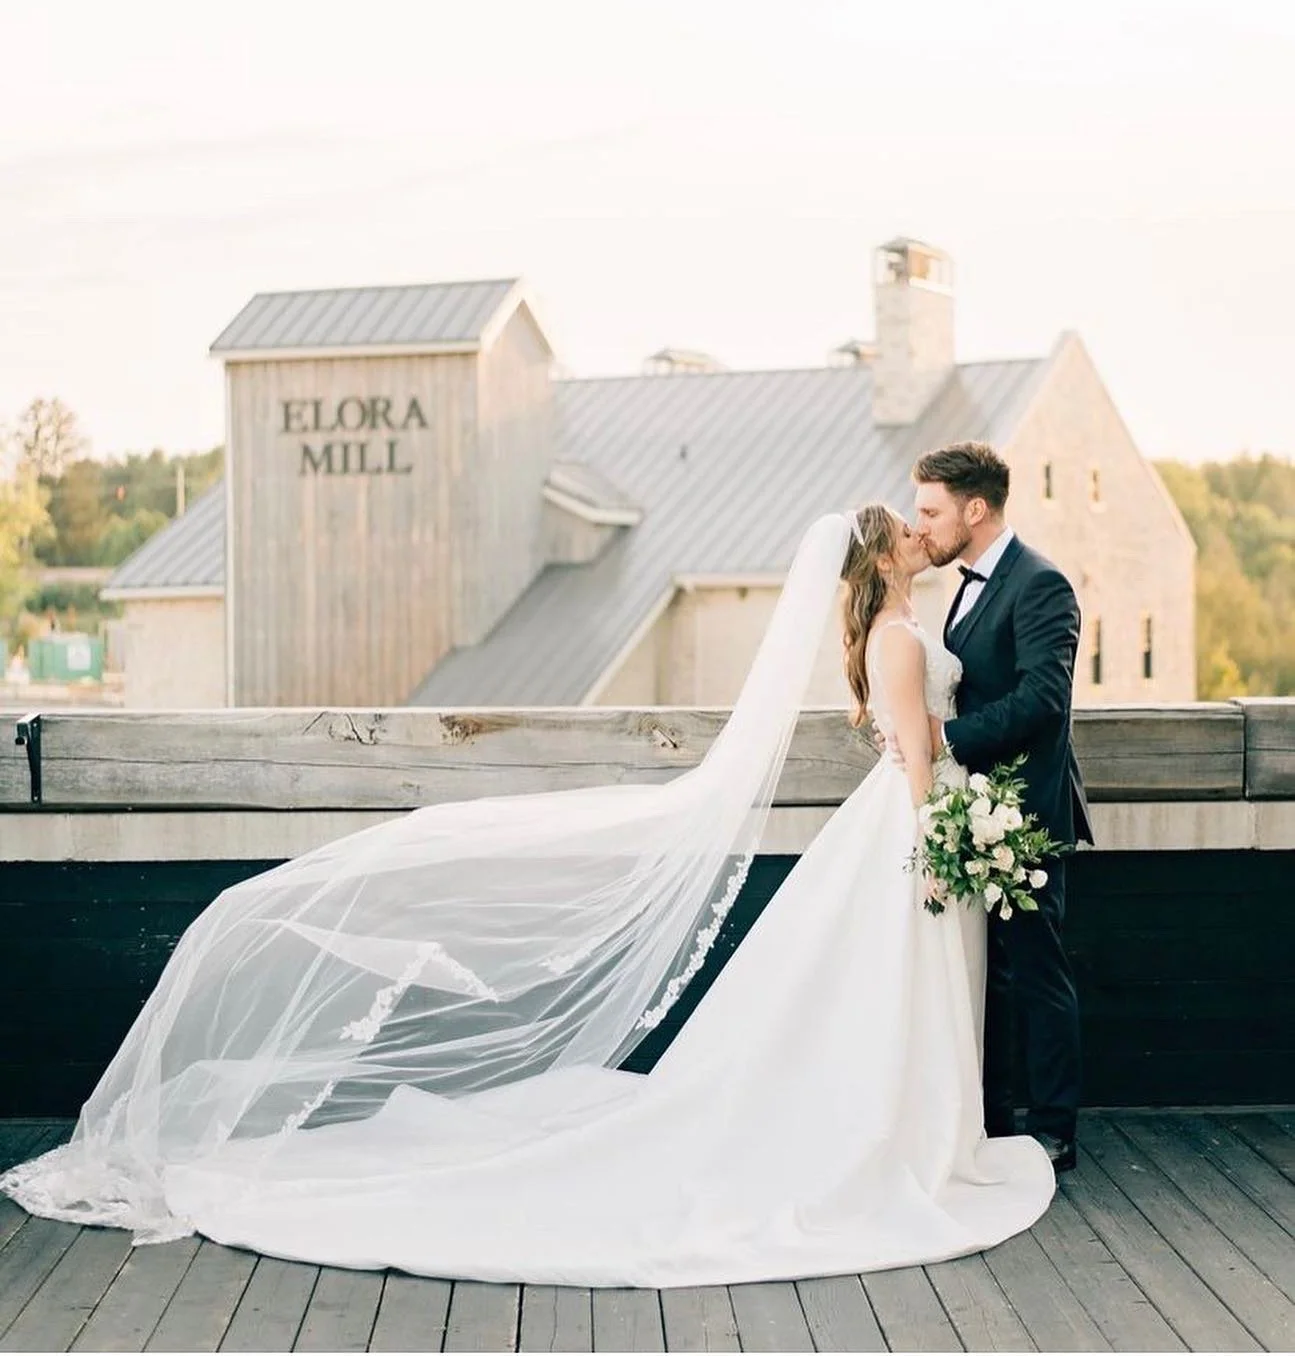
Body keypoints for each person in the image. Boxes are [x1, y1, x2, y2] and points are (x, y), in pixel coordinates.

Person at [1, 506, 1053, 1287]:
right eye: (906, 531)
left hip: (903, 828)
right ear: (878, 558)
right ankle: (903, 1143)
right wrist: (941, 840)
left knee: (877, 1002)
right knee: (889, 996)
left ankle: (910, 1131)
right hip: (911, 831)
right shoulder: (900, 637)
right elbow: (914, 754)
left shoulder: (895, 631)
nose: (922, 535)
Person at [907, 442, 1094, 1173]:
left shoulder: (1040, 584)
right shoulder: (967, 582)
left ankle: (1053, 1130)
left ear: (973, 508)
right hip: (976, 808)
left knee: (1036, 971)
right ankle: (989, 1117)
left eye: (930, 510)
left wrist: (943, 736)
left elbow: (1043, 699)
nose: (919, 525)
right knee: (993, 974)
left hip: (1028, 813)